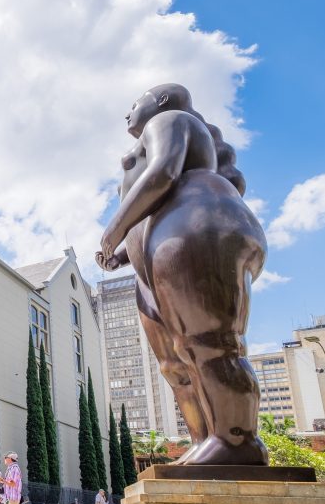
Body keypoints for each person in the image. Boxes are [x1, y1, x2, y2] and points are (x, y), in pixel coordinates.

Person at [97, 84, 268, 466]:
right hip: (157, 259)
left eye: (134, 103)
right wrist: (124, 254)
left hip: (194, 234)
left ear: (159, 102)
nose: (129, 113)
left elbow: (163, 171)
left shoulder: (168, 119)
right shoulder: (159, 124)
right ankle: (205, 439)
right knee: (175, 362)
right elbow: (152, 207)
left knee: (209, 342)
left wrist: (114, 229)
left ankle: (237, 440)